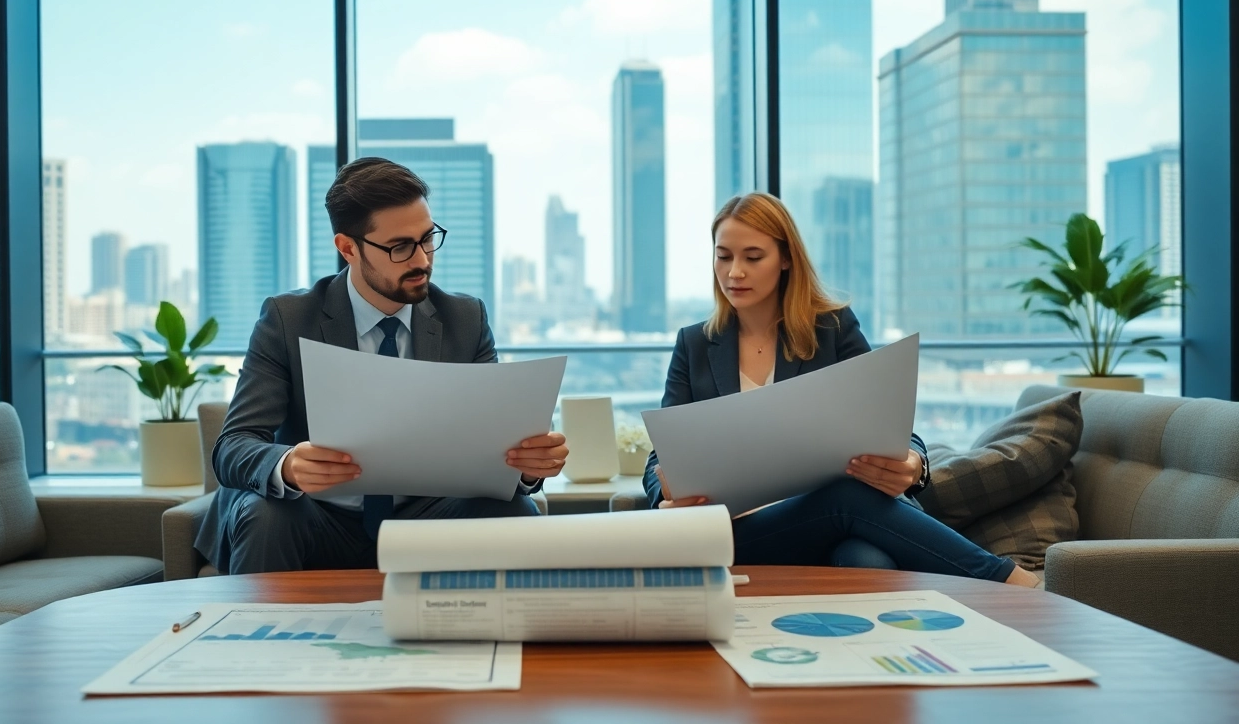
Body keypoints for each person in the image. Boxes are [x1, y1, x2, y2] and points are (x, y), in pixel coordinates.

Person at [643, 191, 1040, 587]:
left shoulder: (833, 330)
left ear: (785, 259)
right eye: (723, 255)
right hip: (738, 531)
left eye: (752, 256)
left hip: (837, 524)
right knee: (846, 497)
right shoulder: (694, 344)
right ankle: (1011, 583)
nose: (734, 272)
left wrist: (914, 465)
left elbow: (889, 427)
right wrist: (664, 495)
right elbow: (660, 455)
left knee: (866, 558)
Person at [195, 157, 569, 574]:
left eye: (428, 238)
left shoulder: (465, 319)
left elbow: (494, 447)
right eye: (400, 247)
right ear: (348, 248)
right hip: (316, 516)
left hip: (425, 519)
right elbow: (233, 446)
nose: (422, 259)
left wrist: (528, 469)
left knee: (515, 510)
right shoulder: (288, 318)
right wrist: (289, 466)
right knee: (268, 514)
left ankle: (518, 637)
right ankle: (255, 635)